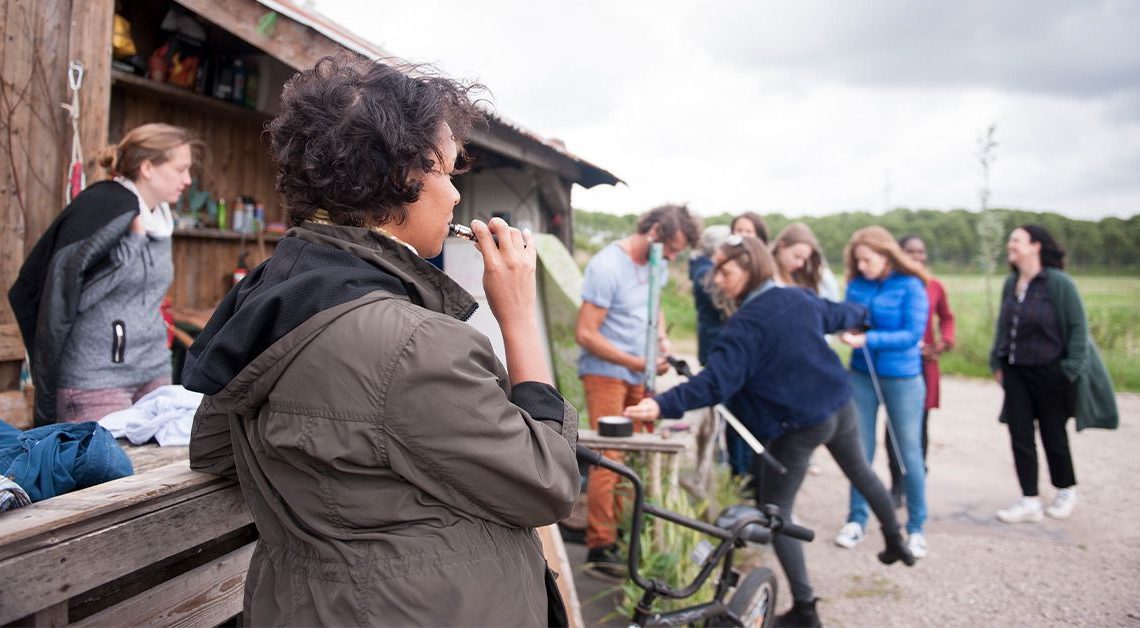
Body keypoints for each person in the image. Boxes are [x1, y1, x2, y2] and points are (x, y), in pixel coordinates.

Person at [184, 55, 580, 626]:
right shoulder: (412, 344)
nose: (454, 197)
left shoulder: (270, 300)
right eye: (445, 173)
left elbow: (217, 449)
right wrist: (517, 315)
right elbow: (549, 485)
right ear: (402, 176)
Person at [623, 235, 914, 628]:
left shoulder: (747, 324)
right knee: (861, 471)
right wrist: (861, 315)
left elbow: (714, 384)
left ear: (751, 267)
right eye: (716, 272)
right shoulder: (796, 298)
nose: (718, 281)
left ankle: (806, 610)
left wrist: (661, 404)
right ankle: (896, 540)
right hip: (837, 403)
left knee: (777, 514)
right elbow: (839, 313)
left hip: (801, 425)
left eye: (726, 272)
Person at [9, 123, 200, 424]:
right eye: (180, 170)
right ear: (148, 168)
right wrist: (130, 247)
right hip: (95, 380)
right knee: (111, 471)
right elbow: (69, 297)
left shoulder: (160, 219)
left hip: (152, 372)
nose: (187, 180)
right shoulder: (104, 208)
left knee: (166, 467)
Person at [576, 203, 700, 578]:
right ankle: (600, 547)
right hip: (607, 374)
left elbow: (655, 307)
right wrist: (636, 362)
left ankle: (630, 533)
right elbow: (586, 334)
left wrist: (660, 340)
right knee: (611, 458)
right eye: (673, 248)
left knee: (640, 456)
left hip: (638, 375)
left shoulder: (656, 263)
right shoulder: (607, 266)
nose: (673, 257)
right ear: (655, 231)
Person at [989, 225, 1118, 523]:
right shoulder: (1012, 283)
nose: (1011, 245)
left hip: (1051, 371)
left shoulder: (1059, 284)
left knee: (1053, 434)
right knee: (1020, 434)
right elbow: (1003, 326)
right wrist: (996, 361)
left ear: (1036, 246)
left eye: (1016, 240)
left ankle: (1065, 490)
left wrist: (1069, 370)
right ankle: (1029, 499)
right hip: (1016, 371)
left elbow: (1078, 328)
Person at [834, 226, 931, 559]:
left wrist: (868, 339)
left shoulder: (911, 285)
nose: (862, 267)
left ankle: (916, 527)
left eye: (867, 260)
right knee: (860, 451)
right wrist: (847, 330)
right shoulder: (855, 284)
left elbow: (911, 335)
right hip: (861, 375)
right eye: (857, 261)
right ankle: (856, 519)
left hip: (902, 378)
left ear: (886, 254)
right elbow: (848, 317)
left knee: (909, 452)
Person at [885, 235, 955, 507]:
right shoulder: (892, 285)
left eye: (921, 251)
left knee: (920, 424)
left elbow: (947, 317)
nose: (917, 256)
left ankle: (917, 476)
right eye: (910, 251)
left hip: (926, 363)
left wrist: (944, 342)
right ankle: (896, 485)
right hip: (897, 363)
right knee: (893, 425)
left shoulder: (934, 286)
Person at [770, 222, 840, 301]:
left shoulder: (805, 277)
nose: (800, 264)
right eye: (797, 256)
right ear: (781, 247)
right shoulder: (765, 277)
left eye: (804, 260)